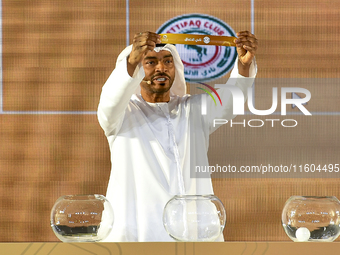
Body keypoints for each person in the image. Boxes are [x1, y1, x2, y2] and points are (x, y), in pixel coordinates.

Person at [97, 31, 258, 242]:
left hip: (194, 237)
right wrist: (130, 61)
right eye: (150, 62)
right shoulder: (122, 116)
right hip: (137, 238)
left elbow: (230, 101)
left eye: (167, 61)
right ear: (136, 70)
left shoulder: (192, 109)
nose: (161, 68)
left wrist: (244, 67)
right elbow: (110, 100)